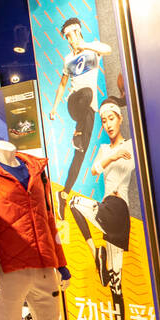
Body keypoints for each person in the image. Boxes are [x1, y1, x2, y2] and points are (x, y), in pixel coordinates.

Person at [69, 96, 136, 320]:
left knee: (74, 203)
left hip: (120, 210)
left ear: (120, 119)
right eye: (104, 120)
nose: (108, 123)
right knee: (115, 287)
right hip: (109, 212)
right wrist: (110, 155)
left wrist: (118, 155)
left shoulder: (133, 145)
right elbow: (96, 169)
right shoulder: (102, 149)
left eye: (112, 118)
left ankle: (96, 254)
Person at [48, 17, 112, 218]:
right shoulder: (68, 59)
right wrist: (54, 108)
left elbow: (107, 49)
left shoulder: (93, 49)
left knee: (80, 155)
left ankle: (64, 195)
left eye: (72, 34)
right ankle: (77, 132)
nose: (70, 39)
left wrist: (83, 44)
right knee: (86, 93)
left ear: (79, 31)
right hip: (75, 103)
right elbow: (62, 84)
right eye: (67, 36)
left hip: (89, 112)